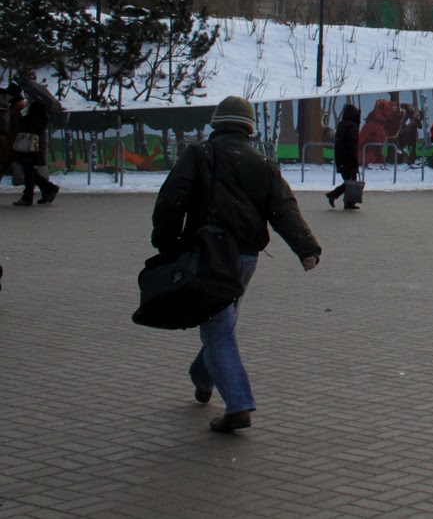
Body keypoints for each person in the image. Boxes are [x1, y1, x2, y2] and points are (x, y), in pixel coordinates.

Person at [150, 95, 321, 433]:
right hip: (245, 258)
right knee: (220, 323)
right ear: (249, 128)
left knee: (218, 328)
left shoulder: (200, 154)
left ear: (217, 123)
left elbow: (171, 200)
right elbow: (284, 208)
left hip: (207, 255)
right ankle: (202, 378)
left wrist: (166, 243)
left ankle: (239, 406)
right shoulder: (262, 162)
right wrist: (306, 248)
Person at [9, 86, 58, 207]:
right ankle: (47, 189)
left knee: (28, 168)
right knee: (29, 169)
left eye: (28, 93)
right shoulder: (34, 105)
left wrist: (25, 120)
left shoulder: (37, 106)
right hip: (32, 140)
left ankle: (31, 195)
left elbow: (36, 124)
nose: (27, 95)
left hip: (32, 141)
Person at [326, 103, 362, 209]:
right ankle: (334, 195)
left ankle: (348, 202)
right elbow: (351, 144)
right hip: (349, 158)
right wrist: (354, 158)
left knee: (349, 181)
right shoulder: (352, 126)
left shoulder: (342, 124)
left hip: (341, 158)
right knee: (350, 181)